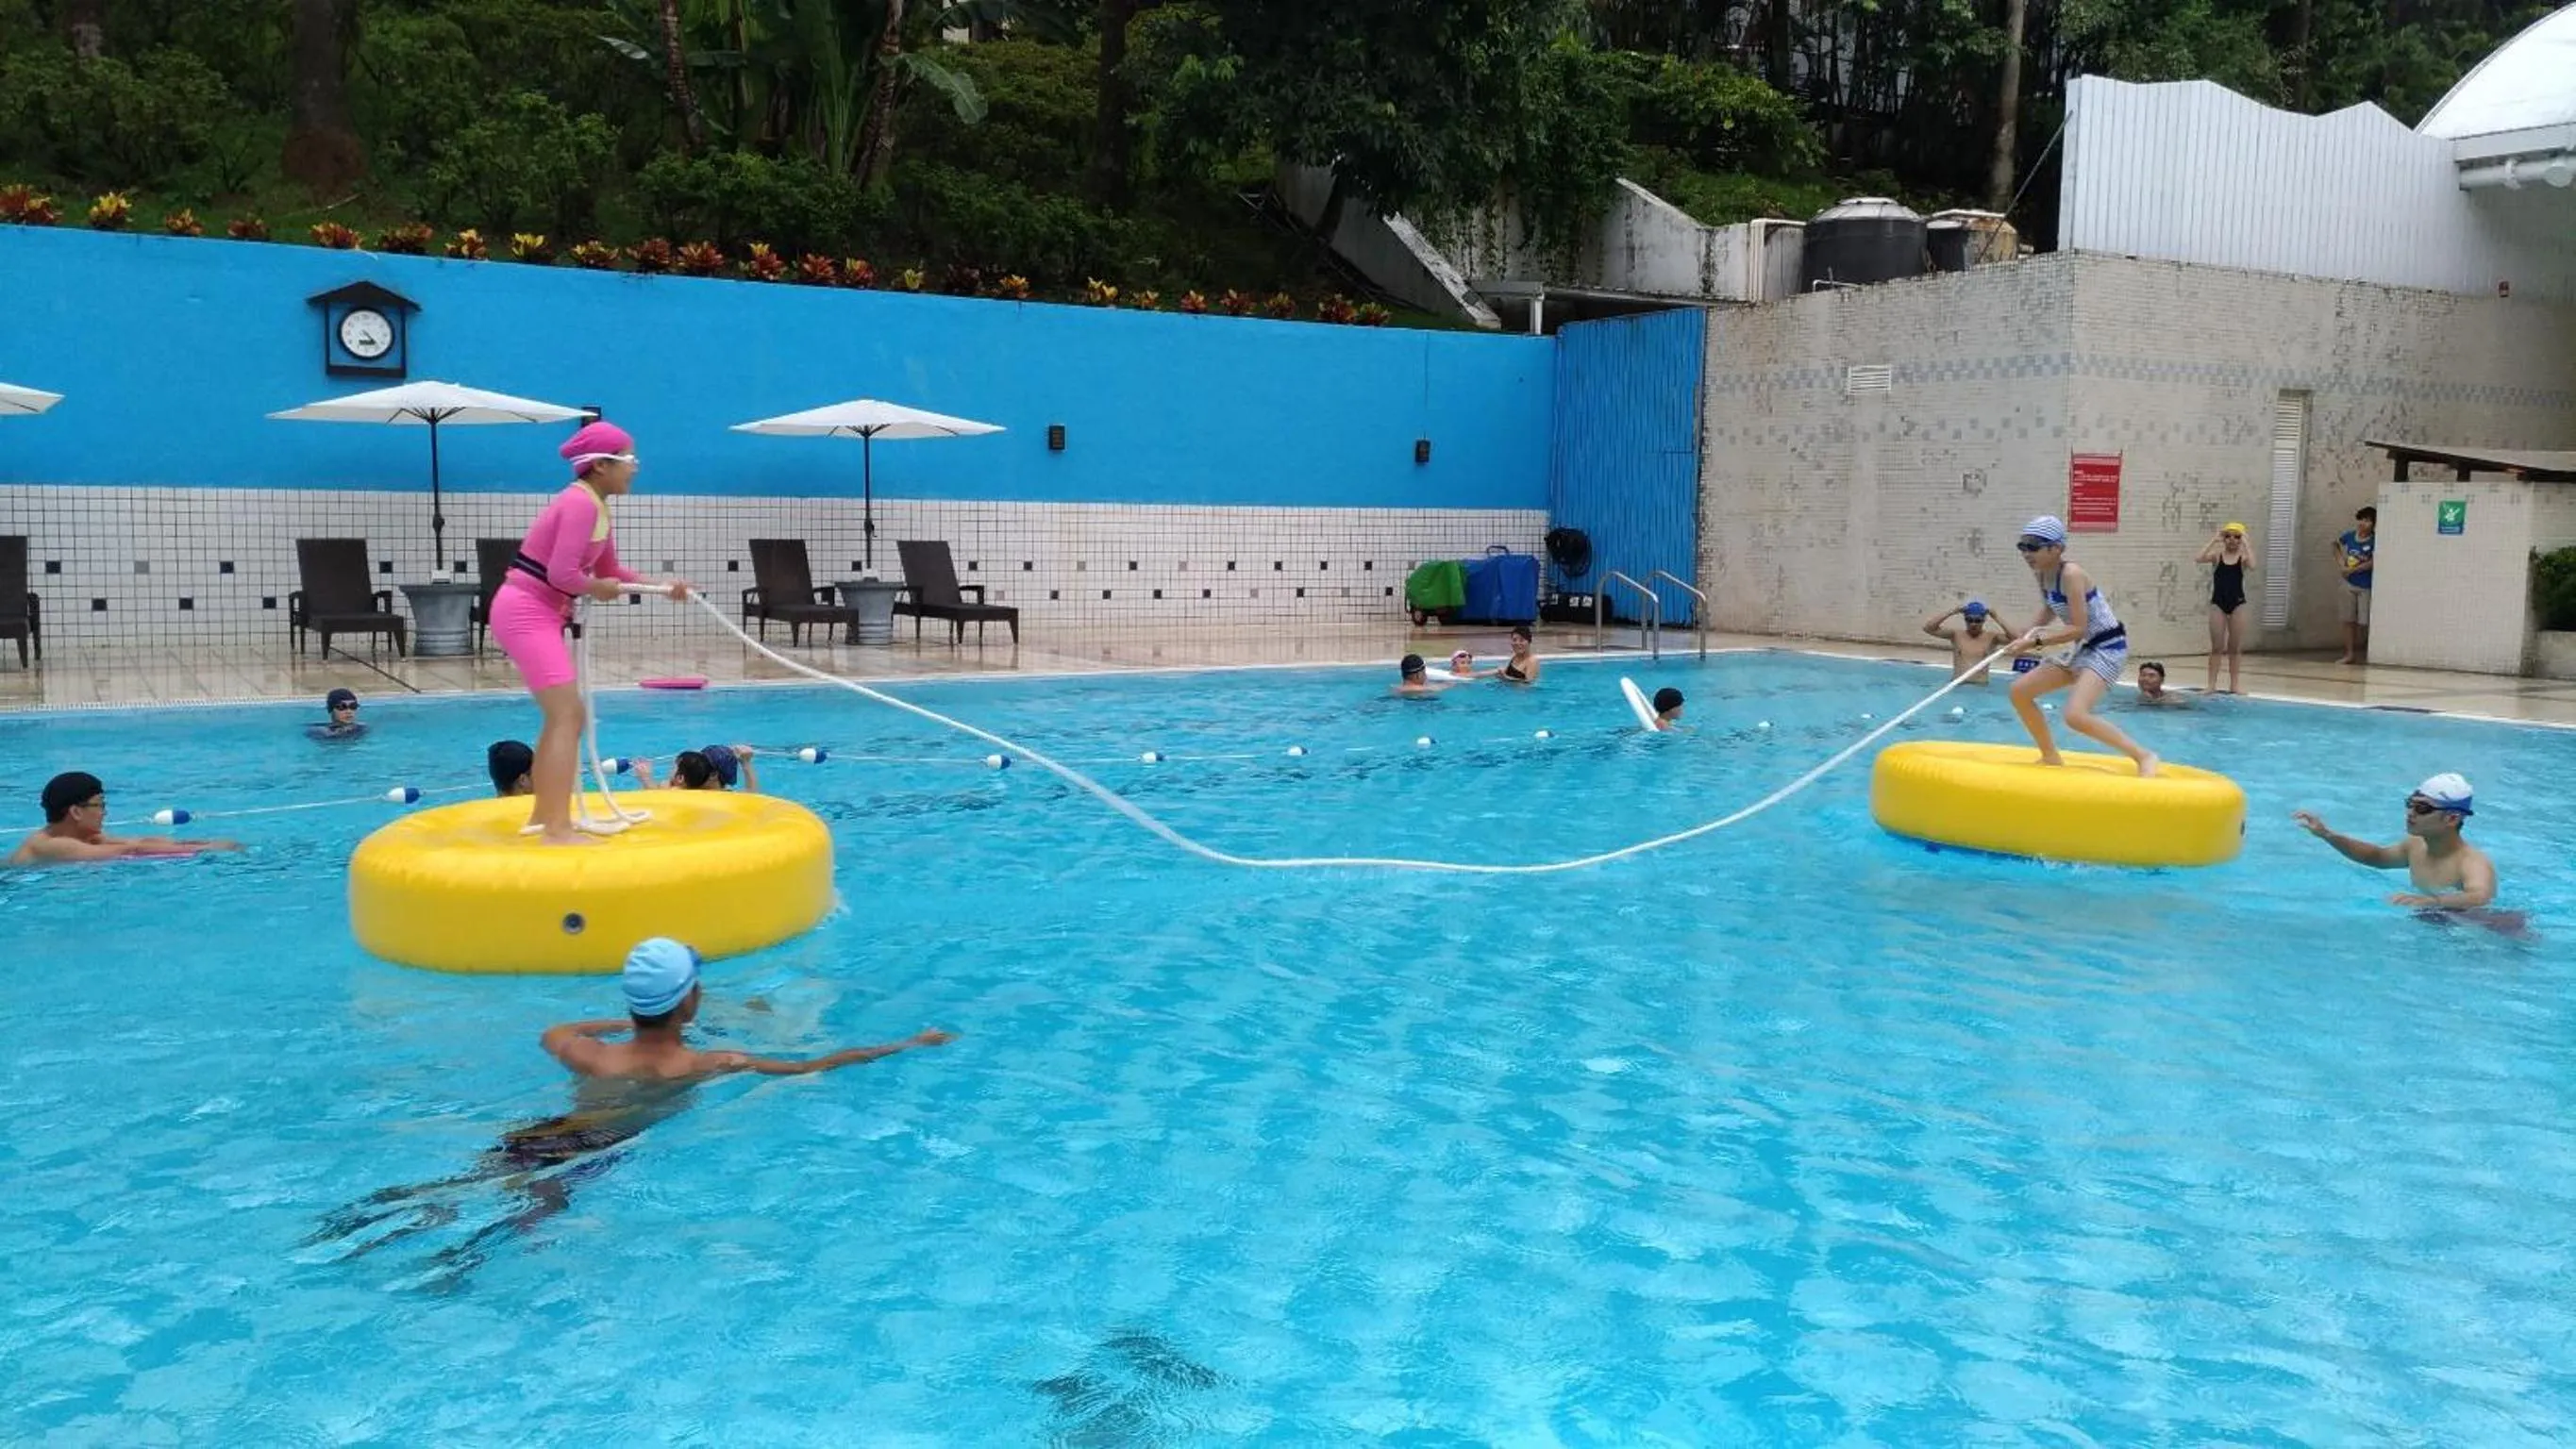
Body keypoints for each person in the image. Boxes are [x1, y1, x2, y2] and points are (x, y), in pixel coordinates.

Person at [303, 937, 955, 1285]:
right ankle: (455, 1266)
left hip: (537, 1134)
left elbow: (554, 1030)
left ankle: (358, 1226)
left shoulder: (591, 1057)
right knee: (529, 1212)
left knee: (460, 1184)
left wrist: (618, 1022)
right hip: (595, 1152)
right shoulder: (706, 1064)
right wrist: (908, 1043)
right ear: (691, 1002)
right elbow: (816, 1065)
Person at [488, 420, 693, 844]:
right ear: (601, 465)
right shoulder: (580, 503)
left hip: (540, 612)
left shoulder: (597, 506)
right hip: (525, 611)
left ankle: (544, 816)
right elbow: (562, 574)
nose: (635, 467)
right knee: (568, 715)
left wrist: (662, 587)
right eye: (629, 459)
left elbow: (610, 570)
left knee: (564, 716)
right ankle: (557, 829)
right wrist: (597, 589)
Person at [2005, 515, 2159, 777]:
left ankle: (2144, 756)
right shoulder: (2042, 573)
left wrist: (2034, 642)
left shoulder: (2071, 574)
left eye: (2033, 546)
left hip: (2107, 648)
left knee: (2075, 716)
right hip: (2082, 648)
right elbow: (2049, 608)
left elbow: (2078, 627)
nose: (2026, 553)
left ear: (2056, 548)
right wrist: (2025, 632)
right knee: (2019, 692)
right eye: (2022, 546)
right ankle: (2050, 757)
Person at [2292, 774, 2500, 915]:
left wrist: (2433, 902)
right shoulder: (2415, 846)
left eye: (2422, 809)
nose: (2410, 813)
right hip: (2435, 919)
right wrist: (2327, 835)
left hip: (2476, 927)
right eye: (2410, 804)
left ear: (2452, 818)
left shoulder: (2472, 862)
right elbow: (2377, 857)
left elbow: (2480, 897)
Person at [8, 771, 241, 864]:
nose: (105, 812)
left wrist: (200, 844)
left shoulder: (85, 836)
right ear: (76, 812)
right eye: (100, 805)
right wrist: (203, 850)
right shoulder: (53, 845)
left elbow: (136, 842)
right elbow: (130, 851)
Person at [2198, 523, 2254, 693]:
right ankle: (2211, 685)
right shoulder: (2217, 557)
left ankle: (2234, 685)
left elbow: (2253, 565)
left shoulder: (2242, 559)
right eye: (2228, 536)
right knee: (2217, 647)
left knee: (2235, 648)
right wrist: (2214, 540)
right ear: (2224, 538)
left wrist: (2247, 544)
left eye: (2236, 536)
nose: (2232, 540)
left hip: (2238, 604)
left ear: (2241, 539)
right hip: (2218, 604)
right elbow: (2199, 558)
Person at [1921, 599, 2011, 684]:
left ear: (1984, 620)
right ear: (1965, 620)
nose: (1973, 624)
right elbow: (1928, 628)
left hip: (1980, 688)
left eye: (1977, 620)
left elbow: (2016, 639)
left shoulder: (1993, 638)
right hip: (1958, 685)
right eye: (1969, 620)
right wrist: (1951, 612)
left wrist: (1996, 617)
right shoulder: (1955, 635)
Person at [2336, 506, 2375, 664]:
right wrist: (2341, 564)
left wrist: (2353, 570)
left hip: (2365, 585)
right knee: (2348, 620)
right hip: (2348, 584)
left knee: (2364, 622)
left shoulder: (2374, 540)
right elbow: (2335, 545)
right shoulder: (2349, 536)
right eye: (2361, 519)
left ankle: (2367, 649)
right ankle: (2349, 654)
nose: (2363, 523)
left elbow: (2373, 562)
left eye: (2368, 521)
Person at [635, 744, 761, 792]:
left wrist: (646, 779)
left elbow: (656, 797)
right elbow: (752, 795)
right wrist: (746, 763)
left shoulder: (678, 790)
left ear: (713, 775)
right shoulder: (728, 796)